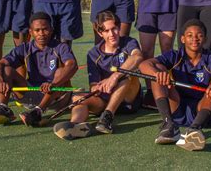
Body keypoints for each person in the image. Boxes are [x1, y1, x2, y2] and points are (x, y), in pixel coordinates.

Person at [139, 19, 211, 151]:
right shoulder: (175, 56)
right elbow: (143, 65)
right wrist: (157, 74)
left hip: (202, 110)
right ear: (183, 39)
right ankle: (169, 125)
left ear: (205, 39)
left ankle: (194, 130)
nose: (194, 39)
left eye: (199, 35)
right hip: (177, 107)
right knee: (158, 72)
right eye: (190, 35)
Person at [53, 11, 143, 140]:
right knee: (79, 99)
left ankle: (107, 117)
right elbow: (93, 86)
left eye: (114, 29)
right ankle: (76, 126)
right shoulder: (93, 54)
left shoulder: (129, 42)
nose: (111, 34)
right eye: (106, 31)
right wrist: (98, 87)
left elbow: (137, 56)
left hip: (129, 100)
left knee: (127, 75)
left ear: (119, 28)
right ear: (100, 33)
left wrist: (114, 77)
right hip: (105, 99)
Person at [0, 12, 78, 126]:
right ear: (31, 32)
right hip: (32, 93)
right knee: (6, 70)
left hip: (56, 95)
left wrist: (54, 84)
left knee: (61, 72)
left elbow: (72, 65)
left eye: (45, 29)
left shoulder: (60, 47)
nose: (41, 34)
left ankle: (38, 111)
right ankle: (3, 108)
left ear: (51, 30)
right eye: (37, 30)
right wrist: (0, 81)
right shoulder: (24, 48)